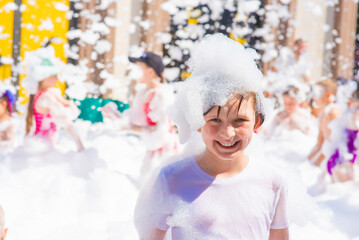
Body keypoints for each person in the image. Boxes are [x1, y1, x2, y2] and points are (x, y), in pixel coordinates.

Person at [134, 34, 289, 239]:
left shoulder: (272, 182)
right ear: (197, 122)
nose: (227, 133)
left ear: (257, 123)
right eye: (215, 120)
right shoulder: (171, 179)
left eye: (239, 121)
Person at [22, 46, 84, 151]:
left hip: (42, 147)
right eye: (54, 75)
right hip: (41, 149)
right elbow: (65, 120)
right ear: (44, 77)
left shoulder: (49, 94)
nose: (57, 79)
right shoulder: (45, 98)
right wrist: (81, 147)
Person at [308, 78, 340, 168]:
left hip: (336, 165)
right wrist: (306, 162)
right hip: (328, 162)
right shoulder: (323, 115)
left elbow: (334, 147)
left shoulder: (333, 113)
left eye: (317, 94)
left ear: (328, 94)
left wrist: (316, 165)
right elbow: (319, 145)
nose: (314, 98)